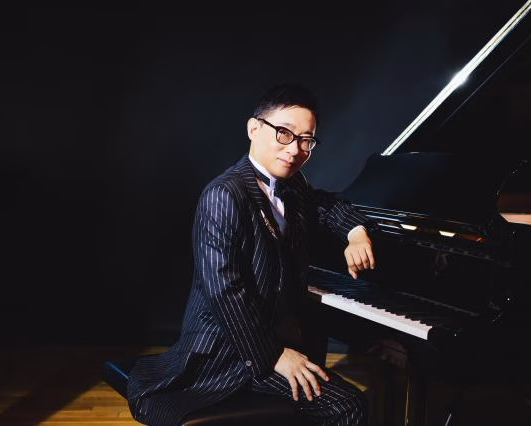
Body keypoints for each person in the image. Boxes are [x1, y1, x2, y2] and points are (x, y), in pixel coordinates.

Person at [127, 83, 377, 425]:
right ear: (254, 129)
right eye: (284, 134)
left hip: (274, 337)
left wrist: (356, 233)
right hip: (226, 353)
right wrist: (274, 356)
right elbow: (225, 291)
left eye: (306, 140)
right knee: (348, 405)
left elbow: (327, 205)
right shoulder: (224, 195)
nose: (295, 149)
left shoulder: (293, 184)